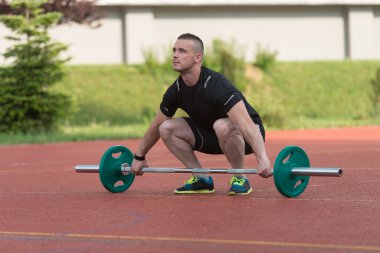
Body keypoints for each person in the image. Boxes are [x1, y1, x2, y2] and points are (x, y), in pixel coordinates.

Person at [131, 33, 271, 195]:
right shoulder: (176, 90)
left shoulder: (217, 85)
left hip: (247, 137)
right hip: (211, 135)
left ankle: (239, 177)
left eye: (182, 51)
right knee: (166, 127)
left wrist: (262, 158)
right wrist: (139, 156)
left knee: (222, 125)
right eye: (174, 50)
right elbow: (156, 125)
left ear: (197, 58)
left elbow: (246, 123)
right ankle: (201, 178)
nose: (175, 55)